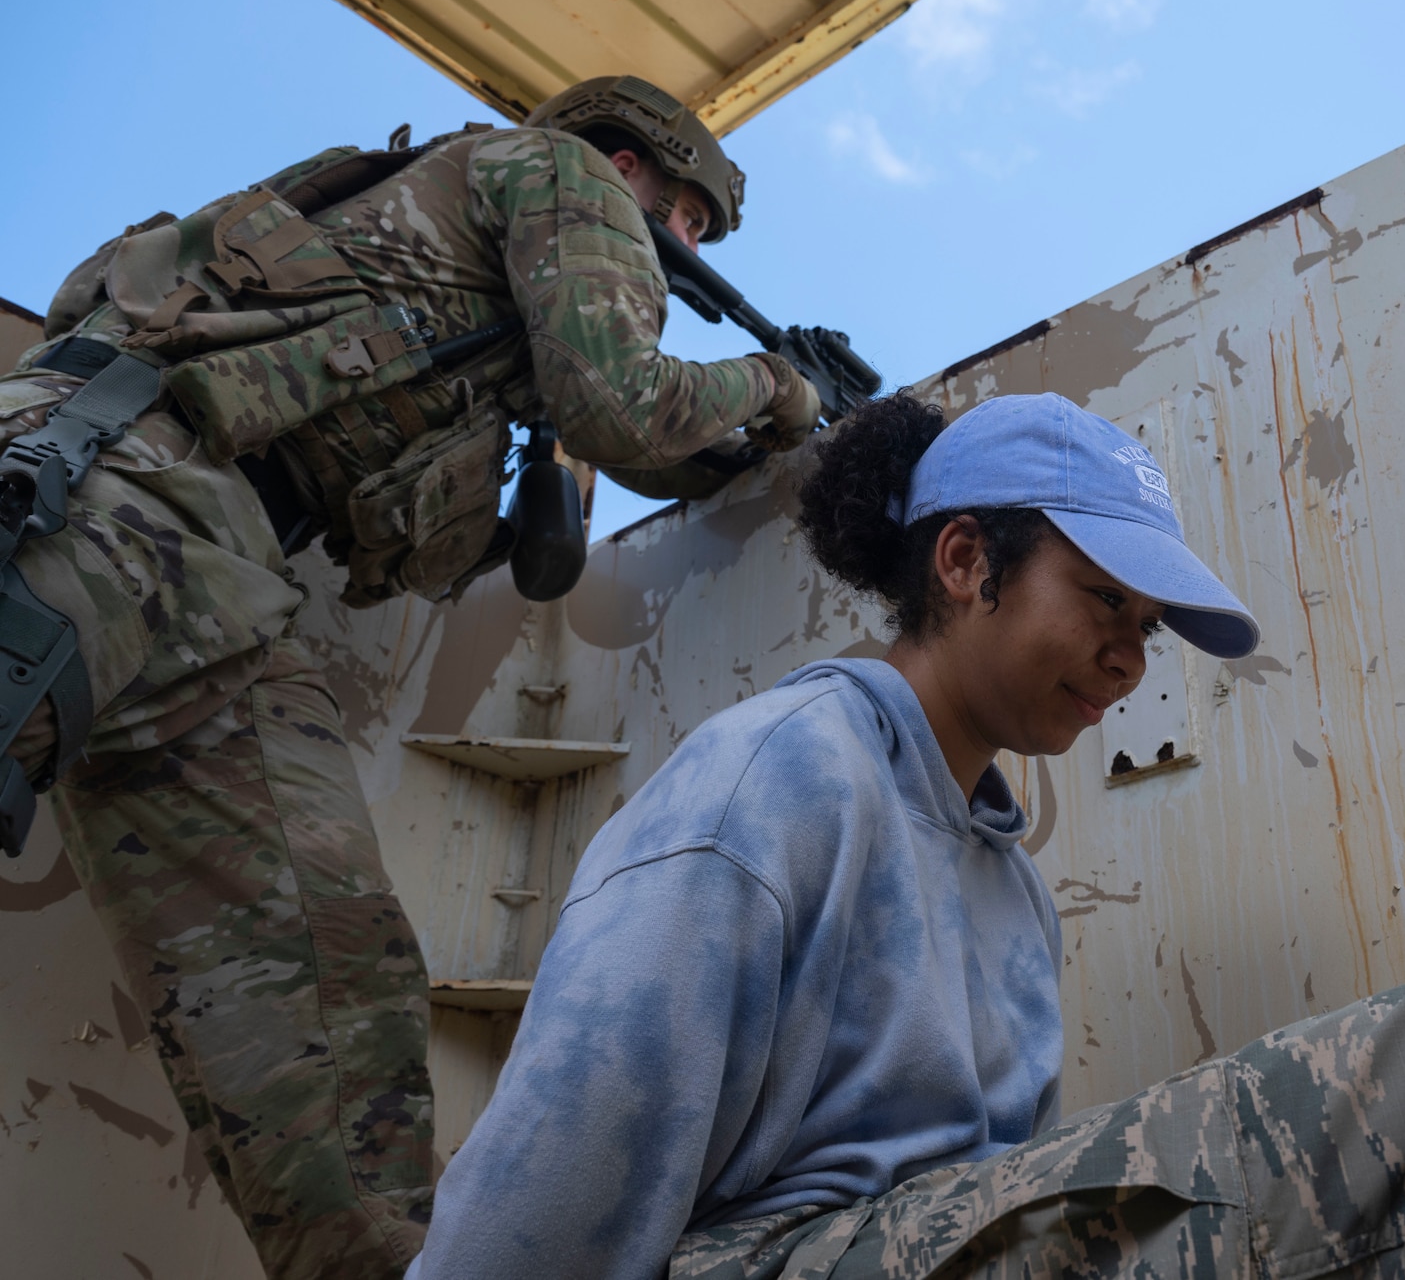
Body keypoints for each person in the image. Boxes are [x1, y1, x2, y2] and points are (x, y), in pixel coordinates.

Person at [411, 389, 1405, 1280]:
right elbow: (539, 1212)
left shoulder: (1005, 885)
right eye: (1105, 602)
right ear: (963, 561)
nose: (1127, 657)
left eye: (1149, 630)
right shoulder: (776, 777)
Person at [0, 76, 821, 1278]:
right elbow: (626, 404)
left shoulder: (479, 275)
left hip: (225, 589)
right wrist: (778, 388)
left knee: (328, 989)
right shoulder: (560, 174)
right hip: (113, 486)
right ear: (634, 164)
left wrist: (725, 450)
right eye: (689, 219)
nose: (681, 252)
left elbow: (596, 447)